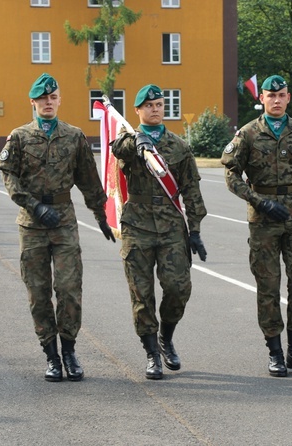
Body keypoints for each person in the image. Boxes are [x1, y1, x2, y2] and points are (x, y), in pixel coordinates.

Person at [0, 73, 115, 382]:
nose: (48, 102)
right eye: (42, 98)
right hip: (32, 223)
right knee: (38, 293)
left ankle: (70, 351)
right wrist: (34, 206)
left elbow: (89, 180)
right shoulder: (19, 137)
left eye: (53, 97)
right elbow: (9, 178)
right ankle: (50, 354)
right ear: (33, 102)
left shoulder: (74, 136)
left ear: (60, 100)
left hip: (63, 221)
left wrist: (101, 216)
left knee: (69, 289)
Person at [221, 75, 292, 377]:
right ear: (263, 99)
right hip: (263, 218)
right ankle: (275, 351)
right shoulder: (248, 134)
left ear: (288, 97)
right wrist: (258, 201)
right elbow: (231, 176)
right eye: (271, 95)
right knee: (268, 286)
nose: (277, 100)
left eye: (282, 95)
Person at [112, 84, 207, 380]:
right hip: (137, 226)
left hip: (170, 228)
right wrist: (137, 141)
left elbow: (191, 189)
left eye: (159, 104)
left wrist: (195, 230)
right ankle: (152, 352)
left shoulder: (178, 146)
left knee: (179, 288)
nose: (155, 109)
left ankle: (166, 335)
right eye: (149, 105)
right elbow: (118, 149)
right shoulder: (127, 140)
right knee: (141, 294)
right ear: (138, 110)